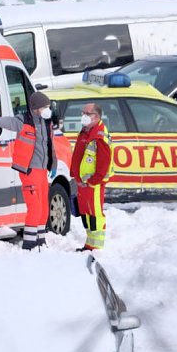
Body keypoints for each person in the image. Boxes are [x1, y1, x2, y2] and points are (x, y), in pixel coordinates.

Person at [0, 91, 56, 250]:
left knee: (44, 206)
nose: (47, 109)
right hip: (30, 170)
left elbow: (51, 146)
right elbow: (10, 122)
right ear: (36, 108)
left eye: (48, 106)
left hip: (43, 170)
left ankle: (40, 240)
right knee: (35, 206)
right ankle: (29, 243)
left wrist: (54, 164)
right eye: (45, 106)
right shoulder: (24, 120)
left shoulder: (47, 123)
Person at [69, 102, 112, 251]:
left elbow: (103, 163)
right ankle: (89, 244)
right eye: (82, 113)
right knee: (86, 214)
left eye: (87, 113)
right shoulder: (86, 130)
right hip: (83, 182)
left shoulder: (99, 135)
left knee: (95, 214)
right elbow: (78, 155)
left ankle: (96, 247)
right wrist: (74, 175)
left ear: (96, 116)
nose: (83, 116)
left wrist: (94, 181)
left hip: (93, 183)